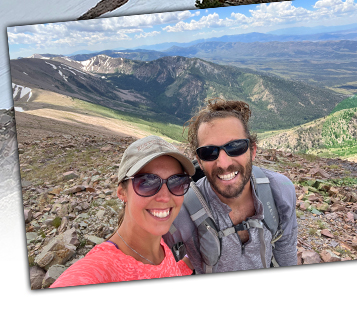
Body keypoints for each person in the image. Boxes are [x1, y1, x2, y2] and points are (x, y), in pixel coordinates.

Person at [165, 98, 298, 272]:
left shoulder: (279, 191)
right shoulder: (181, 211)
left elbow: (286, 252)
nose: (223, 163)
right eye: (209, 152)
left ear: (252, 151)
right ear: (199, 161)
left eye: (235, 147)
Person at [50, 136, 196, 287]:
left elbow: (164, 271)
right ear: (122, 192)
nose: (165, 197)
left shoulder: (159, 245)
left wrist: (188, 263)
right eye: (147, 182)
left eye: (177, 181)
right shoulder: (99, 271)